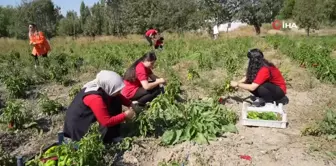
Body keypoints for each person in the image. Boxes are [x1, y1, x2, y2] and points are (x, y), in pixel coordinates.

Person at [63, 70, 136, 144]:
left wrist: (130, 104)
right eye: (117, 90)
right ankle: (107, 139)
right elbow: (106, 122)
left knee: (115, 100)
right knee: (105, 122)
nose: (119, 92)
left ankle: (113, 134)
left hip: (86, 119)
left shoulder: (103, 87)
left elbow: (117, 95)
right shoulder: (95, 98)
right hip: (79, 128)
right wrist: (125, 115)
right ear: (109, 87)